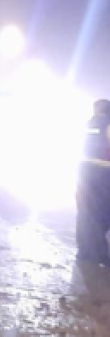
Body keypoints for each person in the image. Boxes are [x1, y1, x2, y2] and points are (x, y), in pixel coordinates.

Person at [77, 100, 110, 264]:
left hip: (86, 172)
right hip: (105, 173)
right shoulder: (108, 124)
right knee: (103, 215)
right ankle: (100, 253)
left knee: (87, 214)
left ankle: (86, 253)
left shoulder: (90, 123)